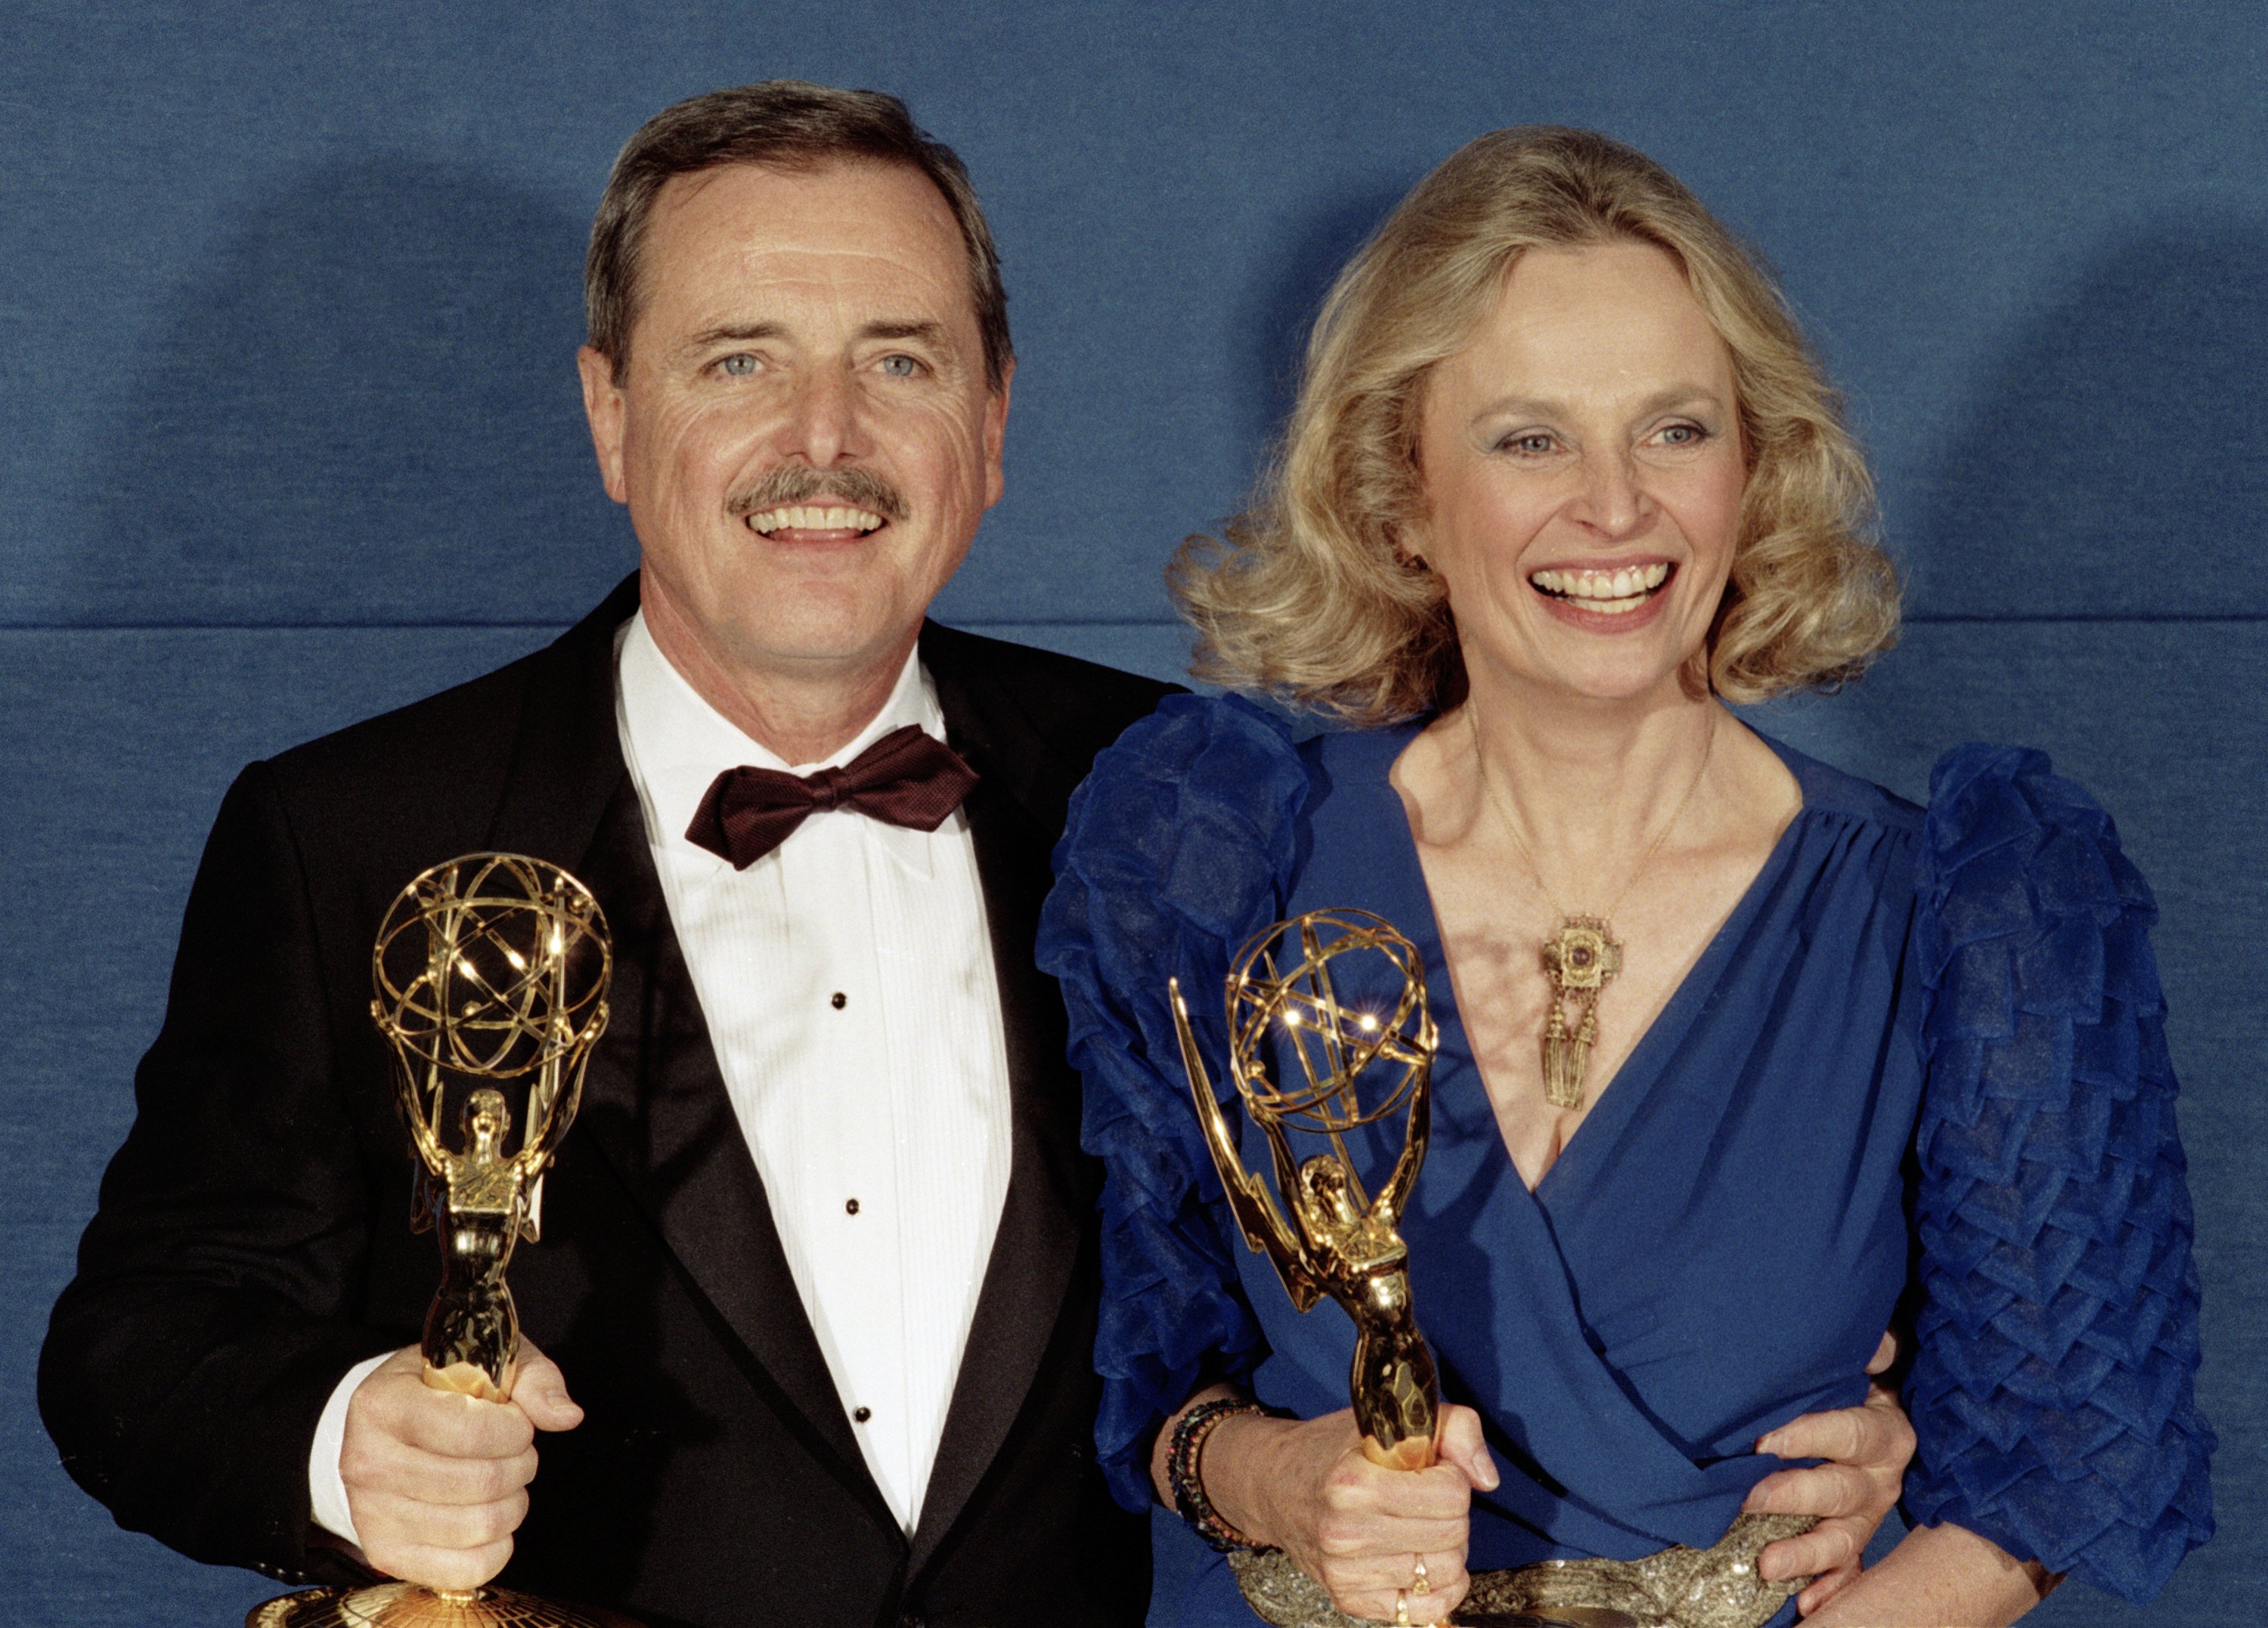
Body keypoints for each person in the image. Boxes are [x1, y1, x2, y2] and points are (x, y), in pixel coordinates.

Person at [1037, 127, 2213, 1628]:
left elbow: (2057, 1470)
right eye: (1530, 438)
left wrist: (1911, 1513)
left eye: (1676, 430)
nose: (1614, 508)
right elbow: (1127, 1382)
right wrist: (1281, 1486)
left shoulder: (1964, 910)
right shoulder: (1215, 856)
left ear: (1756, 470)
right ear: (1400, 496)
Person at [39, 82, 1176, 1628]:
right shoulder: (351, 835)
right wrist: (340, 1443)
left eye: (897, 361)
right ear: (613, 419)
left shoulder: (1167, 792)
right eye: (738, 361)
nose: (824, 439)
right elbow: (142, 1342)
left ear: (990, 422)